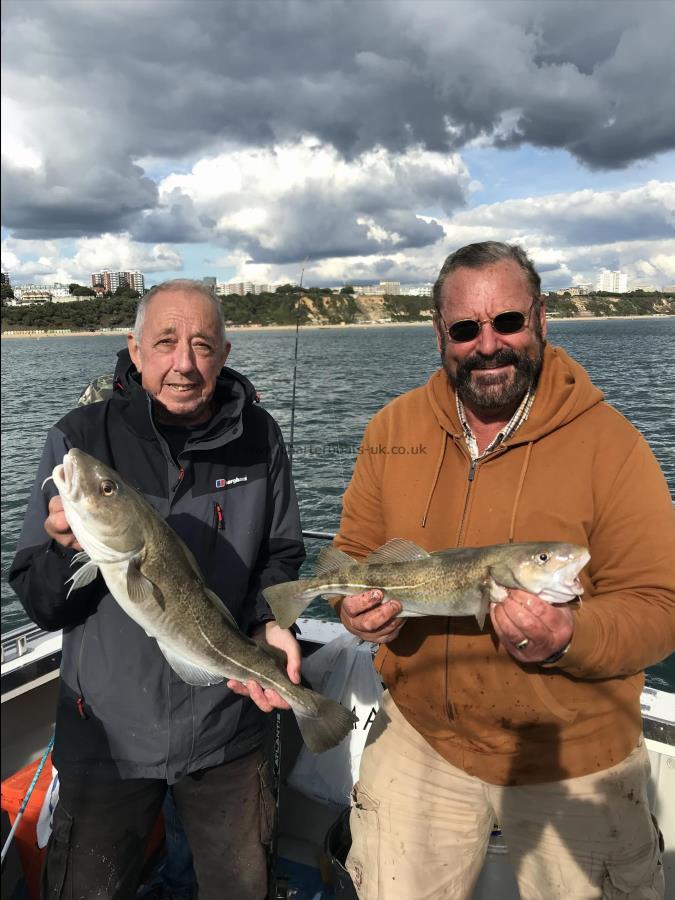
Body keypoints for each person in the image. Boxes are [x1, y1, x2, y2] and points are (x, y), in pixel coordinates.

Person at [332, 242, 675, 899]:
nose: (487, 345)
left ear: (540, 319)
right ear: (439, 333)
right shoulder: (390, 428)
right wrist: (352, 609)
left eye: (507, 322)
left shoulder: (613, 445)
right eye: (464, 328)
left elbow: (660, 605)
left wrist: (567, 637)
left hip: (573, 761)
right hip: (420, 740)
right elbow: (354, 552)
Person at [9, 279, 306, 900]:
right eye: (166, 342)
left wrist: (270, 623)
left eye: (202, 345)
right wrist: (67, 547)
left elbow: (280, 555)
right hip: (106, 738)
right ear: (135, 349)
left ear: (224, 354)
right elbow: (39, 602)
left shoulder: (261, 437)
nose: (184, 363)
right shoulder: (79, 440)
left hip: (229, 726)